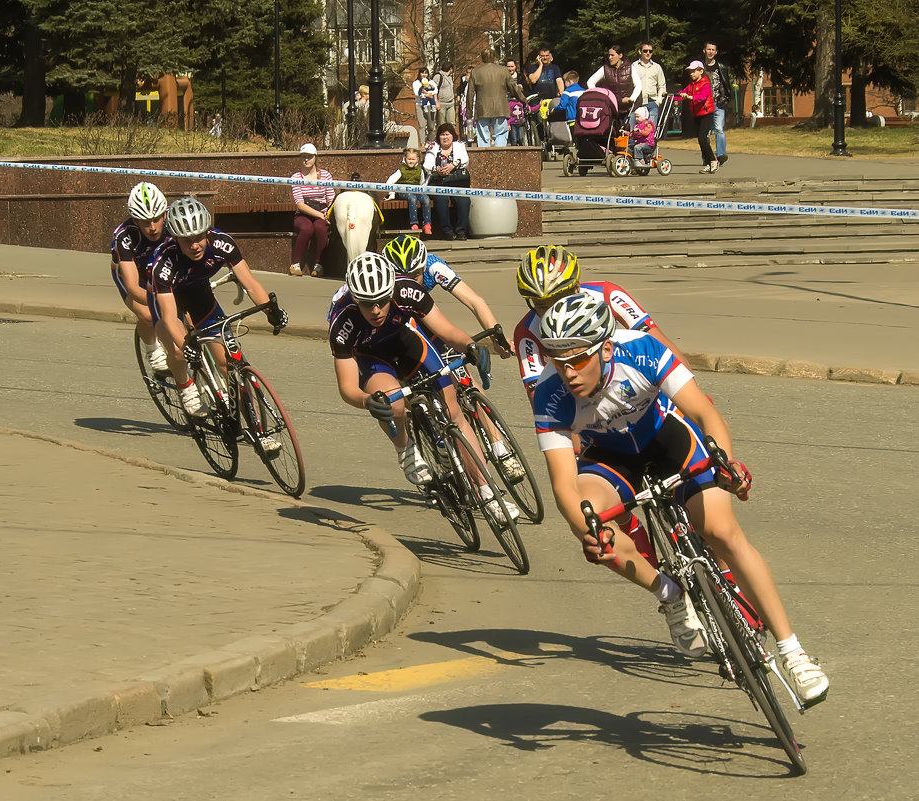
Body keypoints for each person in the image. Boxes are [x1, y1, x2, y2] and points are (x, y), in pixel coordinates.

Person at [529, 292, 829, 707]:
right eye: (558, 361)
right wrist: (587, 530)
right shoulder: (550, 395)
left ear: (607, 348)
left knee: (721, 531)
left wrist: (724, 462)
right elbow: (564, 484)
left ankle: (793, 652)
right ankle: (668, 594)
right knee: (591, 522)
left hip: (667, 438)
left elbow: (705, 415)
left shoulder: (643, 351)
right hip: (612, 458)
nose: (567, 372)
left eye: (578, 359)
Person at [329, 253, 517, 523]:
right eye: (367, 304)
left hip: (404, 340)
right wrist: (368, 401)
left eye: (382, 301)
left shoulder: (407, 290)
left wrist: (471, 347)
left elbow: (446, 331)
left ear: (391, 289)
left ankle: (488, 495)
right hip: (370, 357)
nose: (377, 310)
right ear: (355, 300)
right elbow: (347, 387)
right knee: (391, 402)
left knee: (454, 413)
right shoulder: (342, 322)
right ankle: (404, 448)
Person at [147, 197, 288, 421]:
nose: (194, 245)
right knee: (176, 351)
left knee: (226, 362)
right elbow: (169, 318)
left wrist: (271, 312)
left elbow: (250, 283)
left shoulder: (222, 243)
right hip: (169, 301)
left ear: (207, 232)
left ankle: (256, 428)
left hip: (198, 294)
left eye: (198, 237)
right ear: (174, 239)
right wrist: (187, 346)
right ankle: (186, 388)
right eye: (186, 241)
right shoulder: (164, 263)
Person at [513, 244, 691, 402]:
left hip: (627, 386)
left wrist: (696, 398)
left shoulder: (607, 294)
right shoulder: (526, 332)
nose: (554, 311)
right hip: (579, 400)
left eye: (560, 299)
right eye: (542, 305)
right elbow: (539, 399)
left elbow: (664, 348)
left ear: (577, 288)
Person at [110, 182, 170, 375]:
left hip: (164, 269)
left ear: (164, 214)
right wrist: (161, 303)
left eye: (155, 219)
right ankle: (152, 350)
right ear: (135, 220)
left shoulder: (175, 222)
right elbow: (133, 287)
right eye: (145, 222)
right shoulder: (124, 236)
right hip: (134, 274)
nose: (152, 227)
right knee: (147, 314)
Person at [289, 143, 335, 277]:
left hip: (323, 211)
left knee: (320, 228)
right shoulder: (296, 178)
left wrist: (327, 213)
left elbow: (331, 198)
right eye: (303, 156)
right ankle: (295, 264)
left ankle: (318, 265)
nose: (306, 159)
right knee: (307, 229)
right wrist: (319, 215)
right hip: (303, 214)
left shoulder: (325, 175)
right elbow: (300, 204)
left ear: (315, 157)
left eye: (309, 156)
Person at [465, 49, 526, 148]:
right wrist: (524, 100)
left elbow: (470, 93)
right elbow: (513, 88)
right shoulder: (503, 70)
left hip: (482, 108)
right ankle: (500, 155)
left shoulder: (475, 72)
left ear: (482, 58)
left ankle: (485, 158)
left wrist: (468, 113)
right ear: (494, 57)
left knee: (483, 136)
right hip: (500, 108)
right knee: (500, 134)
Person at [423, 123, 470, 241]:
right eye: (442, 135)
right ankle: (447, 231)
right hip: (437, 182)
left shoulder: (459, 145)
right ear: (439, 136)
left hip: (457, 181)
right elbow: (427, 164)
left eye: (447, 134)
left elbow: (465, 160)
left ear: (452, 135)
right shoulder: (433, 146)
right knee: (441, 199)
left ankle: (461, 231)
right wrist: (437, 170)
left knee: (464, 200)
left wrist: (452, 166)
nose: (445, 137)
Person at [680, 61, 718, 173]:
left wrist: (689, 97)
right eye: (690, 72)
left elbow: (701, 97)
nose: (691, 74)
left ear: (701, 71)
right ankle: (708, 163)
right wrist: (672, 96)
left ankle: (713, 160)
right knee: (701, 141)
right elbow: (683, 93)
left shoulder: (705, 84)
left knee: (702, 138)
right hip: (696, 115)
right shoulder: (691, 85)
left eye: (694, 71)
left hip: (706, 114)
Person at [384, 147, 432, 235]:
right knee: (412, 198)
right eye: (409, 159)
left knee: (426, 199)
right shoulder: (401, 170)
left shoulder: (420, 170)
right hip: (403, 192)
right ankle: (414, 223)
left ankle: (427, 223)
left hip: (416, 190)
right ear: (405, 159)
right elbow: (390, 182)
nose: (411, 161)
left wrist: (423, 191)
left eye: (413, 159)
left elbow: (422, 183)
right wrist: (391, 193)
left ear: (417, 159)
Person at [587, 45, 642, 113]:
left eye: (612, 55)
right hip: (612, 109)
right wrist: (598, 97)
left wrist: (632, 99)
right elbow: (590, 82)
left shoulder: (630, 67)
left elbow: (638, 84)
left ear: (620, 55)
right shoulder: (605, 68)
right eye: (609, 55)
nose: (610, 58)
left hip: (630, 109)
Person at [702, 41, 732, 166]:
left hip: (718, 102)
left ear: (716, 52)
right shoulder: (700, 67)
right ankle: (707, 157)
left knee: (719, 128)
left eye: (713, 50)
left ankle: (721, 155)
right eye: (708, 49)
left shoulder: (721, 67)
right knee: (706, 132)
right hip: (704, 103)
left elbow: (726, 84)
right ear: (704, 50)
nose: (710, 52)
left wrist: (725, 98)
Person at [632, 41, 666, 130]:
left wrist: (658, 101)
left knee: (651, 131)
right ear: (640, 51)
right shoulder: (634, 66)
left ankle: (651, 144)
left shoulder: (657, 67)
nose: (648, 53)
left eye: (650, 51)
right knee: (636, 130)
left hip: (652, 103)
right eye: (645, 51)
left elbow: (662, 85)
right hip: (638, 102)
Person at [412, 67, 439, 146]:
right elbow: (417, 93)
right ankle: (423, 144)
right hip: (420, 105)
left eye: (426, 73)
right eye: (422, 73)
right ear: (419, 74)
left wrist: (429, 94)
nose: (424, 75)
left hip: (430, 105)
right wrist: (427, 94)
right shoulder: (416, 83)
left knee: (431, 126)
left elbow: (435, 90)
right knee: (422, 125)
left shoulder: (431, 82)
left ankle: (430, 142)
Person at [433, 63, 456, 127]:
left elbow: (451, 88)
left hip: (450, 103)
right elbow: (433, 90)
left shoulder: (450, 77)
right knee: (441, 124)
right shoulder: (438, 76)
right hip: (441, 103)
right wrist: (436, 102)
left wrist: (453, 99)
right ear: (450, 69)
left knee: (452, 124)